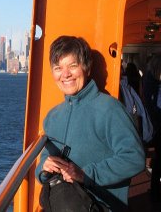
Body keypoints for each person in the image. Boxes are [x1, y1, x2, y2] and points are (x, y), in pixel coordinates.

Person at [35, 36, 145, 211]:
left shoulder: (110, 109)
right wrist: (43, 168)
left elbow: (134, 158)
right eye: (58, 68)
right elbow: (42, 162)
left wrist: (86, 174)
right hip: (62, 204)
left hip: (102, 207)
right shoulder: (52, 116)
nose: (65, 74)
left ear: (86, 67)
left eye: (72, 66)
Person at [142, 54, 161, 200]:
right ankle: (155, 190)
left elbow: (147, 101)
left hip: (155, 123)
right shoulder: (153, 82)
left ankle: (154, 190)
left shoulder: (149, 79)